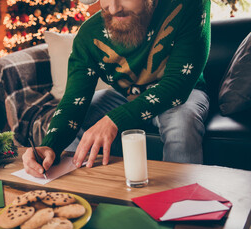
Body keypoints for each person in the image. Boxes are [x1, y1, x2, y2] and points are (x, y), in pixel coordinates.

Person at [22, 0, 211, 178]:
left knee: (182, 122)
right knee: (84, 114)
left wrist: (113, 121)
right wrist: (50, 145)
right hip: (126, 96)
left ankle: (184, 203)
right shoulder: (88, 35)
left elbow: (177, 85)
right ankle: (81, 196)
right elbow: (74, 101)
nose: (113, 8)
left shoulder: (188, 4)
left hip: (184, 92)